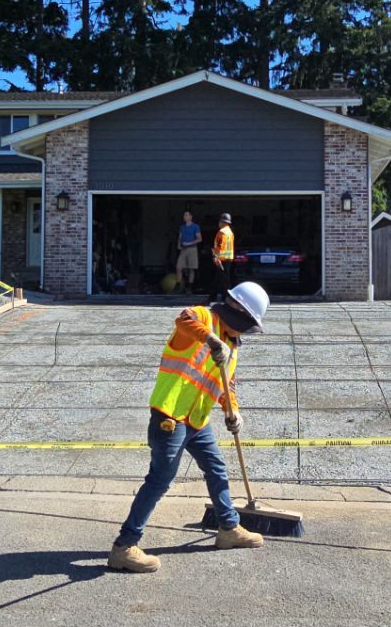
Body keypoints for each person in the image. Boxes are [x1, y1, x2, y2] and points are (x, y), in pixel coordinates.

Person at [108, 281, 273, 573]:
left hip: (197, 419)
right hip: (170, 416)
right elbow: (183, 319)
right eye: (245, 324)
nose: (244, 332)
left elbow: (226, 384)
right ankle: (124, 547)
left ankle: (228, 529)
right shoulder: (203, 318)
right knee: (160, 480)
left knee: (216, 468)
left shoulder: (231, 346)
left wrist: (232, 410)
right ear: (236, 310)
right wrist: (211, 340)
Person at [174, 209, 201, 292]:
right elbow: (180, 237)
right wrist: (179, 245)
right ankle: (178, 284)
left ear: (190, 217)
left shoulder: (195, 227)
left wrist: (189, 243)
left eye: (186, 215)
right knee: (179, 267)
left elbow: (199, 239)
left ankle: (190, 286)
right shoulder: (182, 227)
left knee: (191, 268)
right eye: (184, 215)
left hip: (192, 249)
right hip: (183, 249)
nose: (184, 217)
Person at [210, 213, 235, 298]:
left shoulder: (222, 232)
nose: (219, 223)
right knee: (224, 279)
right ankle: (222, 297)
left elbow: (221, 246)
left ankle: (219, 297)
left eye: (220, 221)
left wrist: (216, 257)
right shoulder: (230, 232)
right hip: (228, 259)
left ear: (223, 222)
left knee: (221, 280)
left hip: (222, 259)